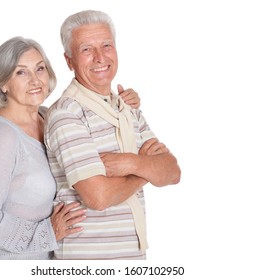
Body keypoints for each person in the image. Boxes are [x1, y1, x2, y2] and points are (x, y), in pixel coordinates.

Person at [0, 36, 142, 260]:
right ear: (3, 83)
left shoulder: (47, 117)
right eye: (21, 72)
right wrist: (47, 233)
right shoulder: (2, 137)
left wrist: (121, 105)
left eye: (39, 68)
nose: (35, 80)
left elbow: (88, 139)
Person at [44, 10, 181, 260]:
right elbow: (98, 197)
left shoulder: (127, 108)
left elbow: (172, 173)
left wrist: (132, 163)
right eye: (86, 49)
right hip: (87, 258)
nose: (100, 57)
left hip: (131, 258)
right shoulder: (67, 114)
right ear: (69, 61)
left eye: (106, 45)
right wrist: (147, 171)